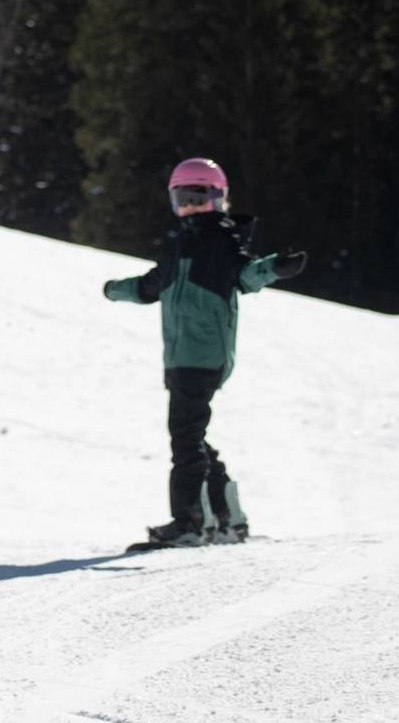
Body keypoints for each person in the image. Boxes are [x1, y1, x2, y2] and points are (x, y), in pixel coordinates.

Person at [102, 158, 306, 548]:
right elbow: (151, 286)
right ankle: (227, 517)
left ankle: (191, 523)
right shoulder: (179, 244)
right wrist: (116, 289)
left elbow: (247, 274)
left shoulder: (221, 240)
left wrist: (277, 267)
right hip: (179, 358)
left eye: (199, 197)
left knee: (185, 438)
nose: (191, 207)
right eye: (183, 198)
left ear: (218, 198)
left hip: (204, 355)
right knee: (194, 436)